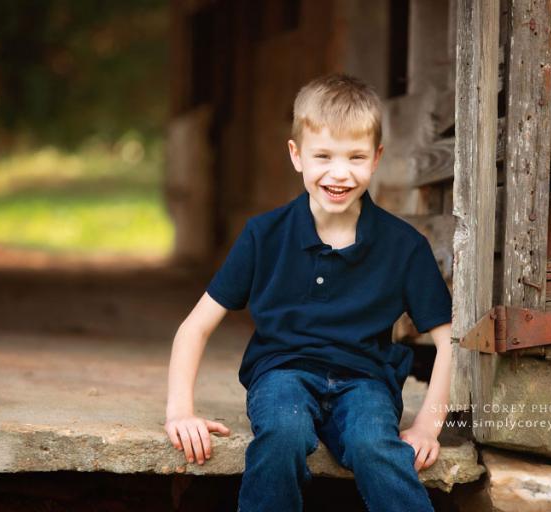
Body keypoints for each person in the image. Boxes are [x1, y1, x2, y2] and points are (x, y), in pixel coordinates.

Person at [165, 72, 453, 512]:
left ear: (376, 158)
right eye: (323, 156)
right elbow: (194, 327)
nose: (340, 173)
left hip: (366, 380)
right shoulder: (264, 235)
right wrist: (180, 411)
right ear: (296, 155)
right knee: (283, 432)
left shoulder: (403, 245)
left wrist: (429, 426)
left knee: (374, 444)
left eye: (356, 157)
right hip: (282, 373)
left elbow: (449, 341)